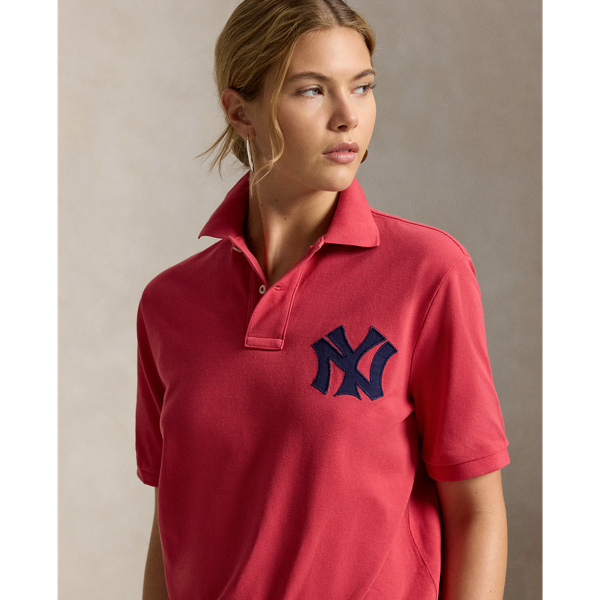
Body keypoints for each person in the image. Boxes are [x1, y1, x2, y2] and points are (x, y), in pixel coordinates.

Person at [136, 0, 510, 598]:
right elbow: (172, 522)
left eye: (362, 87)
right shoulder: (168, 304)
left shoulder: (428, 273)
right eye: (312, 90)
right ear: (240, 112)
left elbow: (477, 510)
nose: (348, 117)